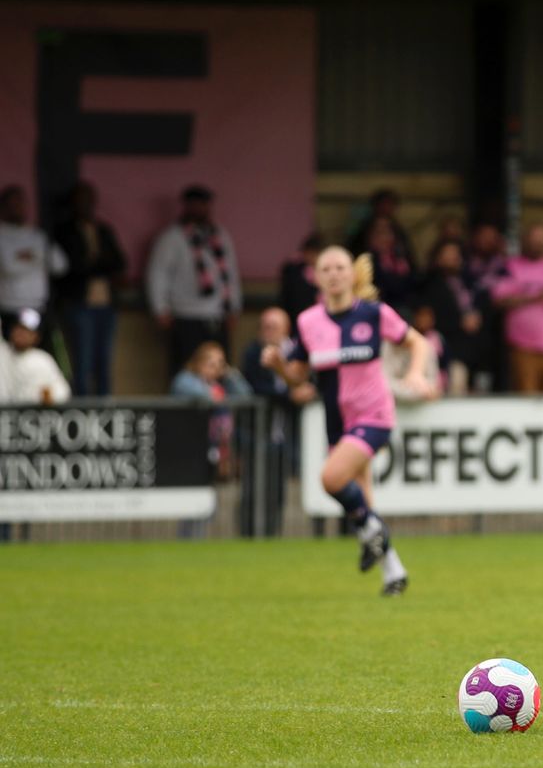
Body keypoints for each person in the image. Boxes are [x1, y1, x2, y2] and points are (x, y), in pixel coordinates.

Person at [262, 246, 436, 596]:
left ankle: (375, 532)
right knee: (363, 500)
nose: (334, 273)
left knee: (331, 478)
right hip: (336, 419)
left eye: (340, 267)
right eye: (326, 268)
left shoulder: (373, 313)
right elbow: (298, 376)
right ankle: (393, 573)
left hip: (373, 414)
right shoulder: (309, 321)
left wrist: (416, 374)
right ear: (317, 276)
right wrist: (279, 366)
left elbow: (418, 343)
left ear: (352, 274)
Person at [146, 185, 241, 379]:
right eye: (195, 204)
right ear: (187, 206)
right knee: (185, 367)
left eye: (204, 204)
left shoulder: (219, 235)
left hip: (217, 314)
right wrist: (160, 308)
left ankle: (219, 407)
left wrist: (234, 307)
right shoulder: (172, 237)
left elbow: (230, 273)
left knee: (219, 368)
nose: (200, 209)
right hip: (185, 314)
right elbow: (158, 273)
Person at [240, 307, 317, 536]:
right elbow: (254, 387)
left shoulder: (298, 352)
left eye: (273, 326)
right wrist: (289, 396)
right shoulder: (253, 352)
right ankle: (249, 534)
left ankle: (273, 532)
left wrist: (308, 391)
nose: (267, 331)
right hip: (259, 432)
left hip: (289, 432)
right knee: (254, 487)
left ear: (286, 329)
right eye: (264, 326)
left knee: (278, 488)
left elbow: (309, 379)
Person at [51, 181, 126, 397]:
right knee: (82, 362)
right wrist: (96, 263)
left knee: (105, 360)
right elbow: (71, 267)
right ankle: (82, 408)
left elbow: (119, 263)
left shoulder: (103, 230)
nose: (85, 204)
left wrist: (94, 262)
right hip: (78, 303)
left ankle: (104, 407)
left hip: (106, 304)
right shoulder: (64, 231)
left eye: (89, 199)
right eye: (80, 199)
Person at [493, 222, 543, 394]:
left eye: (542, 240)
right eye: (534, 239)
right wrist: (533, 297)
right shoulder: (510, 267)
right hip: (522, 345)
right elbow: (499, 300)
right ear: (524, 241)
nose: (539, 243)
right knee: (526, 396)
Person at [170, 340, 251, 482]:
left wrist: (230, 373)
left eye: (220, 363)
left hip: (221, 443)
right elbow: (206, 396)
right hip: (191, 444)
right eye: (211, 362)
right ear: (198, 362)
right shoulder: (185, 379)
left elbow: (246, 396)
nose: (216, 368)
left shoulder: (224, 381)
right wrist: (216, 394)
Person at [0, 185, 68, 328]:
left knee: (36, 350)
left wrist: (29, 256)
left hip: (38, 305)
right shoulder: (2, 235)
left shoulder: (37, 235)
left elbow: (60, 265)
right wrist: (38, 258)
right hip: (9, 306)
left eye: (20, 203)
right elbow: (9, 268)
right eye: (12, 204)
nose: (17, 208)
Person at [421, 236, 480, 394]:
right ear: (437, 258)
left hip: (470, 352)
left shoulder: (466, 283)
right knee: (455, 394)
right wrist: (461, 321)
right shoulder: (430, 284)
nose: (453, 258)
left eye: (456, 254)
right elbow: (430, 319)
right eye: (448, 254)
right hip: (447, 352)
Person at [464, 222, 509, 392]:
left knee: (492, 363)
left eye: (491, 238)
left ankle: (487, 393)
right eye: (483, 237)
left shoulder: (502, 265)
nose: (487, 242)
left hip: (495, 326)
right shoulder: (465, 263)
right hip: (469, 324)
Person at [0, 307, 71, 405]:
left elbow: (63, 392)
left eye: (26, 331)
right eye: (18, 328)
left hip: (31, 417)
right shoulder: (3, 353)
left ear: (36, 337)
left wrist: (48, 395)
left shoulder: (43, 359)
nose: (20, 333)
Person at [361, 216, 419, 316]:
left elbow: (414, 282)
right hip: (379, 308)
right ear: (371, 237)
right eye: (379, 234)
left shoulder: (402, 257)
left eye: (387, 233)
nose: (384, 238)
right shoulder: (367, 260)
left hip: (405, 307)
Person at [279, 233, 324, 321]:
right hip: (296, 316)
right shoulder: (293, 270)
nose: (313, 258)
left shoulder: (323, 270)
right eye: (311, 253)